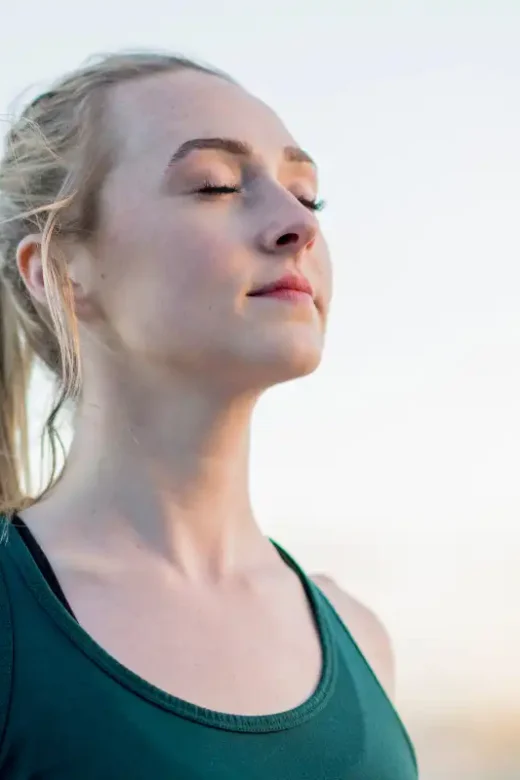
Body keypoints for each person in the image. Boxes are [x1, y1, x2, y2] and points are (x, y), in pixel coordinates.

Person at [0, 51, 418, 778]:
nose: (297, 224)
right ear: (61, 273)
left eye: (307, 194)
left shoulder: (360, 637)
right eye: (215, 185)